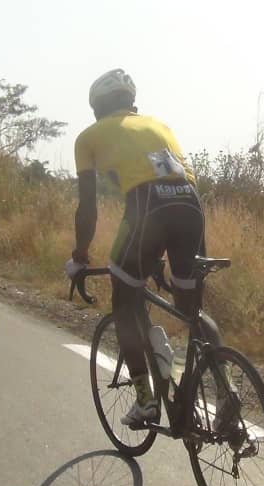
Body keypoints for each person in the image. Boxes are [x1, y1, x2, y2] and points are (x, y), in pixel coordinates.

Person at [65, 69, 206, 426]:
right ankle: (221, 389)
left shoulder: (89, 137)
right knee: (192, 311)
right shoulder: (160, 125)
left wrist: (80, 256)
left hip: (148, 206)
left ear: (96, 108)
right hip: (191, 206)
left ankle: (145, 400)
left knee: (124, 300)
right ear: (132, 103)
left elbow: (88, 207)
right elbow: (176, 186)